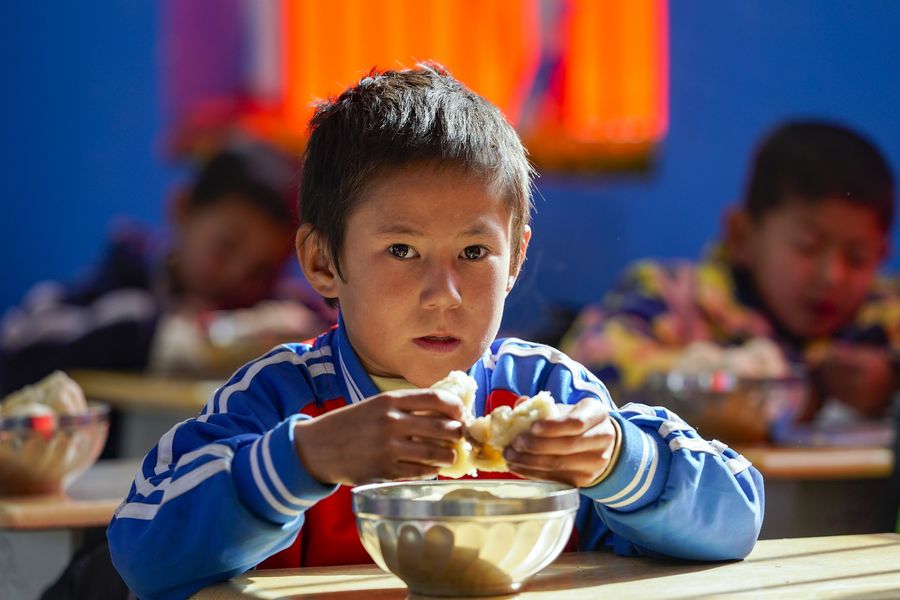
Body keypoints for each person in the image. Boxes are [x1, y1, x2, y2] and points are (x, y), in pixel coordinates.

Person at [107, 64, 764, 600]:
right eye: (401, 250)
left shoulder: (553, 395)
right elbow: (142, 552)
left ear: (517, 258)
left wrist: (622, 461)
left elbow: (736, 519)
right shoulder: (280, 400)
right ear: (322, 262)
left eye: (474, 254)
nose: (443, 295)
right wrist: (304, 460)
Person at [561, 121, 899, 420]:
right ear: (742, 236)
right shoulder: (671, 295)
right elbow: (588, 363)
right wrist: (708, 376)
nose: (832, 276)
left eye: (857, 257)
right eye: (807, 247)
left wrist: (891, 379)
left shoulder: (886, 317)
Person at [0, 137, 334, 397]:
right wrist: (175, 335)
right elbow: (16, 349)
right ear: (183, 208)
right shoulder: (120, 286)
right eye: (226, 247)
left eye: (261, 269)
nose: (237, 276)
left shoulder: (277, 307)